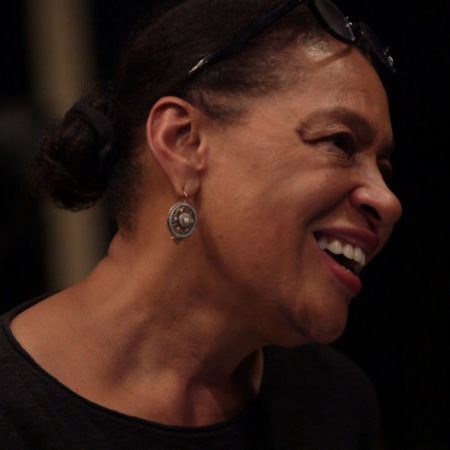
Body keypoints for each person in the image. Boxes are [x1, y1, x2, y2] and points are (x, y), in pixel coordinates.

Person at [0, 0, 402, 448]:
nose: (388, 201)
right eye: (339, 143)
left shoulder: (334, 405)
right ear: (183, 143)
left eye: (383, 169)